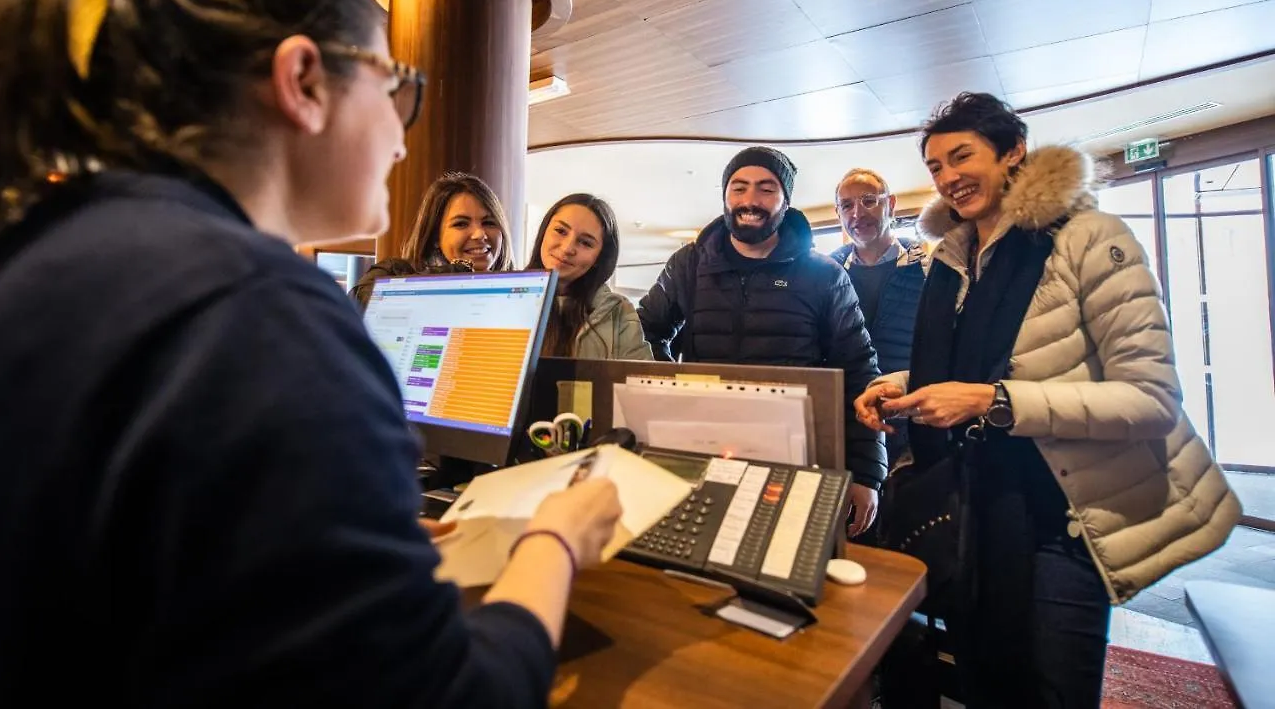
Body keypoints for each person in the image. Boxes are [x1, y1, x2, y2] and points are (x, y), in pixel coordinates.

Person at [0, 0, 622, 707]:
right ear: (302, 80)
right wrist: (555, 538)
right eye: (397, 88)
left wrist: (333, 536)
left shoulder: (54, 252)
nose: (402, 138)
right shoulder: (259, 313)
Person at [854, 93, 1240, 708]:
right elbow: (988, 359)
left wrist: (994, 402)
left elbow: (1151, 398)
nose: (949, 177)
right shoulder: (955, 256)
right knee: (985, 682)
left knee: (1053, 690)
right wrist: (905, 384)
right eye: (935, 167)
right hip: (974, 504)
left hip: (1063, 515)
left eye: (962, 156)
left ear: (1013, 152)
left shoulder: (1090, 239)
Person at [638, 146, 886, 536]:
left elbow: (859, 372)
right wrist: (673, 387)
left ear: (786, 202)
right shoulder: (689, 264)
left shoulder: (824, 275)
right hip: (702, 450)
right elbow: (644, 332)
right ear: (725, 197)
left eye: (766, 189)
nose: (750, 201)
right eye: (739, 188)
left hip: (797, 458)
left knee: (786, 569)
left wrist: (868, 472)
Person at [829, 167, 926, 470]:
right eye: (847, 205)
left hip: (911, 423)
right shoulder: (825, 276)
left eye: (869, 201)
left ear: (891, 204)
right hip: (845, 426)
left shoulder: (930, 270)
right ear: (839, 214)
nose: (858, 213)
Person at [351, 171, 514, 308]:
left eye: (489, 222)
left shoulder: (518, 295)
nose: (479, 234)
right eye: (461, 224)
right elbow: (363, 305)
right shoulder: (390, 273)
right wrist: (457, 273)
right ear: (435, 236)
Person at [526, 193, 652, 360]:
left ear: (598, 258)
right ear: (544, 232)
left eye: (585, 243)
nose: (567, 248)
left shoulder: (617, 311)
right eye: (560, 231)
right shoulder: (506, 298)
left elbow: (639, 381)